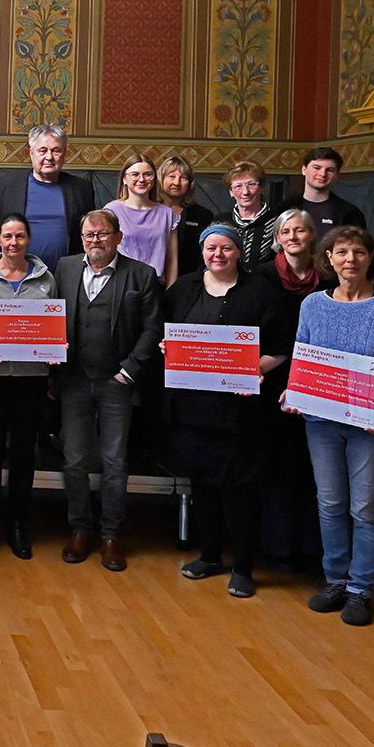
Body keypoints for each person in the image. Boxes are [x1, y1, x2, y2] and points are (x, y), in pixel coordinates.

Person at [282, 226, 374, 627]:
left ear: (371, 258)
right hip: (321, 423)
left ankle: (361, 589)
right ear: (328, 259)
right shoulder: (312, 304)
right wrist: (294, 390)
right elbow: (302, 356)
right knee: (330, 504)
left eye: (359, 252)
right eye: (341, 252)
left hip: (372, 426)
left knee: (366, 508)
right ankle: (336, 582)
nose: (350, 260)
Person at [163, 224, 292, 599]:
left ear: (239, 252)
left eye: (226, 248)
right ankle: (209, 556)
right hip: (191, 408)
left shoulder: (261, 291)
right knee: (201, 486)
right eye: (210, 248)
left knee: (238, 491)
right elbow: (165, 332)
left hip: (238, 411)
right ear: (202, 251)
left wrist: (252, 369)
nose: (217, 255)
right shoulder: (183, 288)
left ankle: (243, 567)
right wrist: (166, 347)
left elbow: (281, 346)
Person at [53, 208, 164, 572]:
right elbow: (51, 317)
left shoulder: (142, 274)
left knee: (115, 462)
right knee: (74, 460)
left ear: (118, 237)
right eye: (89, 235)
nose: (95, 240)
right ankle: (79, 529)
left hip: (118, 381)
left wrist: (129, 370)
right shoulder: (65, 268)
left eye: (102, 234)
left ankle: (111, 535)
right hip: (74, 380)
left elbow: (153, 328)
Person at [0, 213, 56, 560]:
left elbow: (54, 323)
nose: (13, 242)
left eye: (20, 236)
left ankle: (18, 525)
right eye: (7, 236)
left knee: (23, 451)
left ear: (28, 240)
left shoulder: (46, 279)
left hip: (32, 379)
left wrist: (54, 349)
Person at [257, 207, 325, 574]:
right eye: (287, 231)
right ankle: (278, 548)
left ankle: (314, 549)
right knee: (279, 465)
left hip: (321, 379)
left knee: (316, 466)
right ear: (278, 239)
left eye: (300, 230)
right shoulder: (261, 277)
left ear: (312, 236)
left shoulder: (328, 276)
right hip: (274, 378)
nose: (294, 237)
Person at [0, 124, 95, 270]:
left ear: (65, 154)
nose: (49, 157)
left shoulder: (81, 189)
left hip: (67, 274)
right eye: (42, 151)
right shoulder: (4, 186)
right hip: (18, 273)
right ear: (31, 153)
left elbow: (89, 235)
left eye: (56, 150)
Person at [106, 153, 178, 285]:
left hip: (156, 284)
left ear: (154, 179)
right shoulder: (111, 211)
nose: (141, 179)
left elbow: (172, 260)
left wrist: (171, 290)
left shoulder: (167, 214)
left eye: (147, 174)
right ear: (124, 179)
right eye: (135, 174)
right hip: (121, 283)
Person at [159, 155, 214, 284]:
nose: (176, 183)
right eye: (171, 176)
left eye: (183, 178)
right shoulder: (149, 211)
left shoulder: (203, 215)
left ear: (190, 183)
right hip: (151, 281)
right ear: (161, 179)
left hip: (191, 281)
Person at [291, 147, 367, 237]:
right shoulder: (285, 208)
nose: (323, 174)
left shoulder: (350, 213)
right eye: (317, 168)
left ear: (337, 175)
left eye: (330, 170)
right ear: (304, 170)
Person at [221, 161, 279, 272]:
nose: (245, 192)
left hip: (265, 281)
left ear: (261, 187)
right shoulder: (221, 222)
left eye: (251, 184)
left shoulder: (277, 222)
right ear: (231, 192)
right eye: (238, 186)